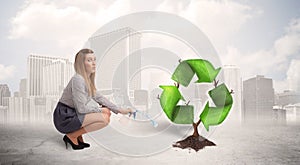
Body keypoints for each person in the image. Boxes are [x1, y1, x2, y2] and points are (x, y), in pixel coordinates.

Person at [53, 48, 132, 150]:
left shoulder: (86, 80)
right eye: (89, 60)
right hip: (65, 117)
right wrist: (101, 110)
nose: (94, 63)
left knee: (106, 113)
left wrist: (120, 110)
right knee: (104, 118)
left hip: (73, 113)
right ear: (81, 64)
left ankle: (76, 135)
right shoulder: (78, 80)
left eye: (94, 60)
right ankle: (72, 136)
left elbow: (100, 98)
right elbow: (81, 109)